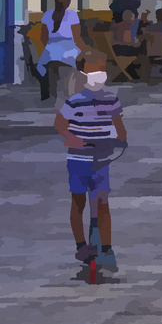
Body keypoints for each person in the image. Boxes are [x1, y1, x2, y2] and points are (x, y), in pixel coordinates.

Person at [55, 49, 128, 273]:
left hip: (101, 160)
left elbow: (120, 128)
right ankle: (81, 245)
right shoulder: (74, 102)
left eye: (102, 68)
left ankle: (106, 247)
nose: (99, 73)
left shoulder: (111, 99)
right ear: (82, 73)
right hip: (78, 159)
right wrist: (72, 139)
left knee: (102, 203)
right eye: (93, 68)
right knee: (78, 202)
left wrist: (119, 141)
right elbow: (60, 124)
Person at [35, 0, 83, 101]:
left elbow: (43, 37)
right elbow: (77, 38)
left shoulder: (47, 14)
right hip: (69, 50)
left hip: (50, 51)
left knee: (41, 66)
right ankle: (77, 92)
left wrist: (50, 48)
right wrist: (85, 49)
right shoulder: (72, 15)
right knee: (82, 60)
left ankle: (45, 94)